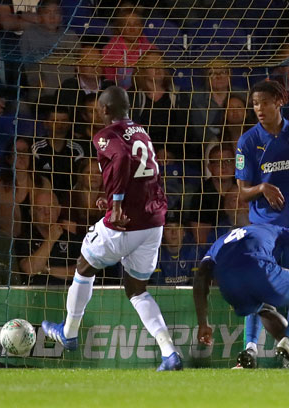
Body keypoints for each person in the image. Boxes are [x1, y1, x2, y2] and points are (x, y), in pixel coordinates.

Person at [41, 86, 182, 371]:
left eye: (97, 109)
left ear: (105, 110)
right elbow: (141, 171)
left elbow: (120, 161)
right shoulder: (140, 131)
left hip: (125, 222)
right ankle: (169, 352)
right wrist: (119, 196)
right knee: (136, 289)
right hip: (153, 221)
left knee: (84, 265)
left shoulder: (105, 135)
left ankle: (68, 332)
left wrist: (116, 203)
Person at [234, 79, 289, 367]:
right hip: (265, 230)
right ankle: (251, 350)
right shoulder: (247, 141)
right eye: (255, 103)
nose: (259, 108)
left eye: (264, 102)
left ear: (279, 102)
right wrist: (262, 189)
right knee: (260, 293)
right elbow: (242, 192)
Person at [194, 223, 289, 371]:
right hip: (258, 270)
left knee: (263, 309)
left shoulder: (219, 241)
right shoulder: (271, 228)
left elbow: (201, 275)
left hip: (228, 285)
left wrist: (203, 323)